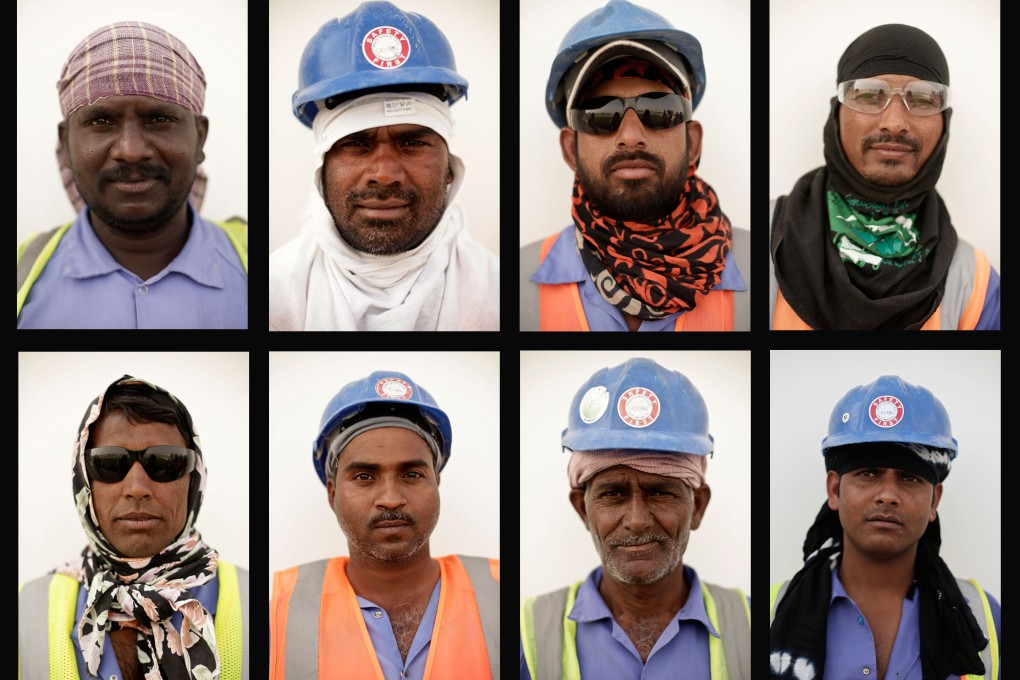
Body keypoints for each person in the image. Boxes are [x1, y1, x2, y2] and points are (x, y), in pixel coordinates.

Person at [269, 1, 499, 332]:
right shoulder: (269, 294)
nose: (385, 173)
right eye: (355, 143)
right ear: (322, 173)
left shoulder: (502, 295)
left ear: (450, 169)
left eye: (413, 143)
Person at [520, 0, 749, 332]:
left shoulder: (773, 270)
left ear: (693, 143)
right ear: (571, 150)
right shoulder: (510, 281)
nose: (630, 136)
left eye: (659, 110)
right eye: (601, 115)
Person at [520, 357, 750, 678]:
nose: (638, 520)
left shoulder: (757, 626)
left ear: (697, 506)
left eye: (660, 492)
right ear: (581, 508)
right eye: (613, 493)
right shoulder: (521, 634)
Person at [16, 22, 248, 329]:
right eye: (101, 121)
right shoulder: (21, 270)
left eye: (160, 119)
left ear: (200, 138)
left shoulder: (269, 270)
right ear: (65, 145)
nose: (131, 151)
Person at [17, 375, 250, 679]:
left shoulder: (261, 602)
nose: (137, 487)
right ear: (84, 482)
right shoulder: (24, 611)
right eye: (110, 463)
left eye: (165, 462)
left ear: (194, 480)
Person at [269, 370, 499, 678]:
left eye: (412, 474)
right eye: (364, 476)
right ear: (333, 492)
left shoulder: (503, 590)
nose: (391, 498)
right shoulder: (273, 611)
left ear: (436, 482)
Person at [769, 24, 1000, 330]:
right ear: (836, 115)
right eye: (868, 95)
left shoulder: (976, 283)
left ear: (944, 123)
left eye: (922, 99)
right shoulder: (757, 241)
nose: (894, 123)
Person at [769, 375, 1000, 679]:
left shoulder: (986, 618)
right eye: (868, 473)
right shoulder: (769, 611)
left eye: (909, 477)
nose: (887, 496)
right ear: (835, 490)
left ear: (934, 501)